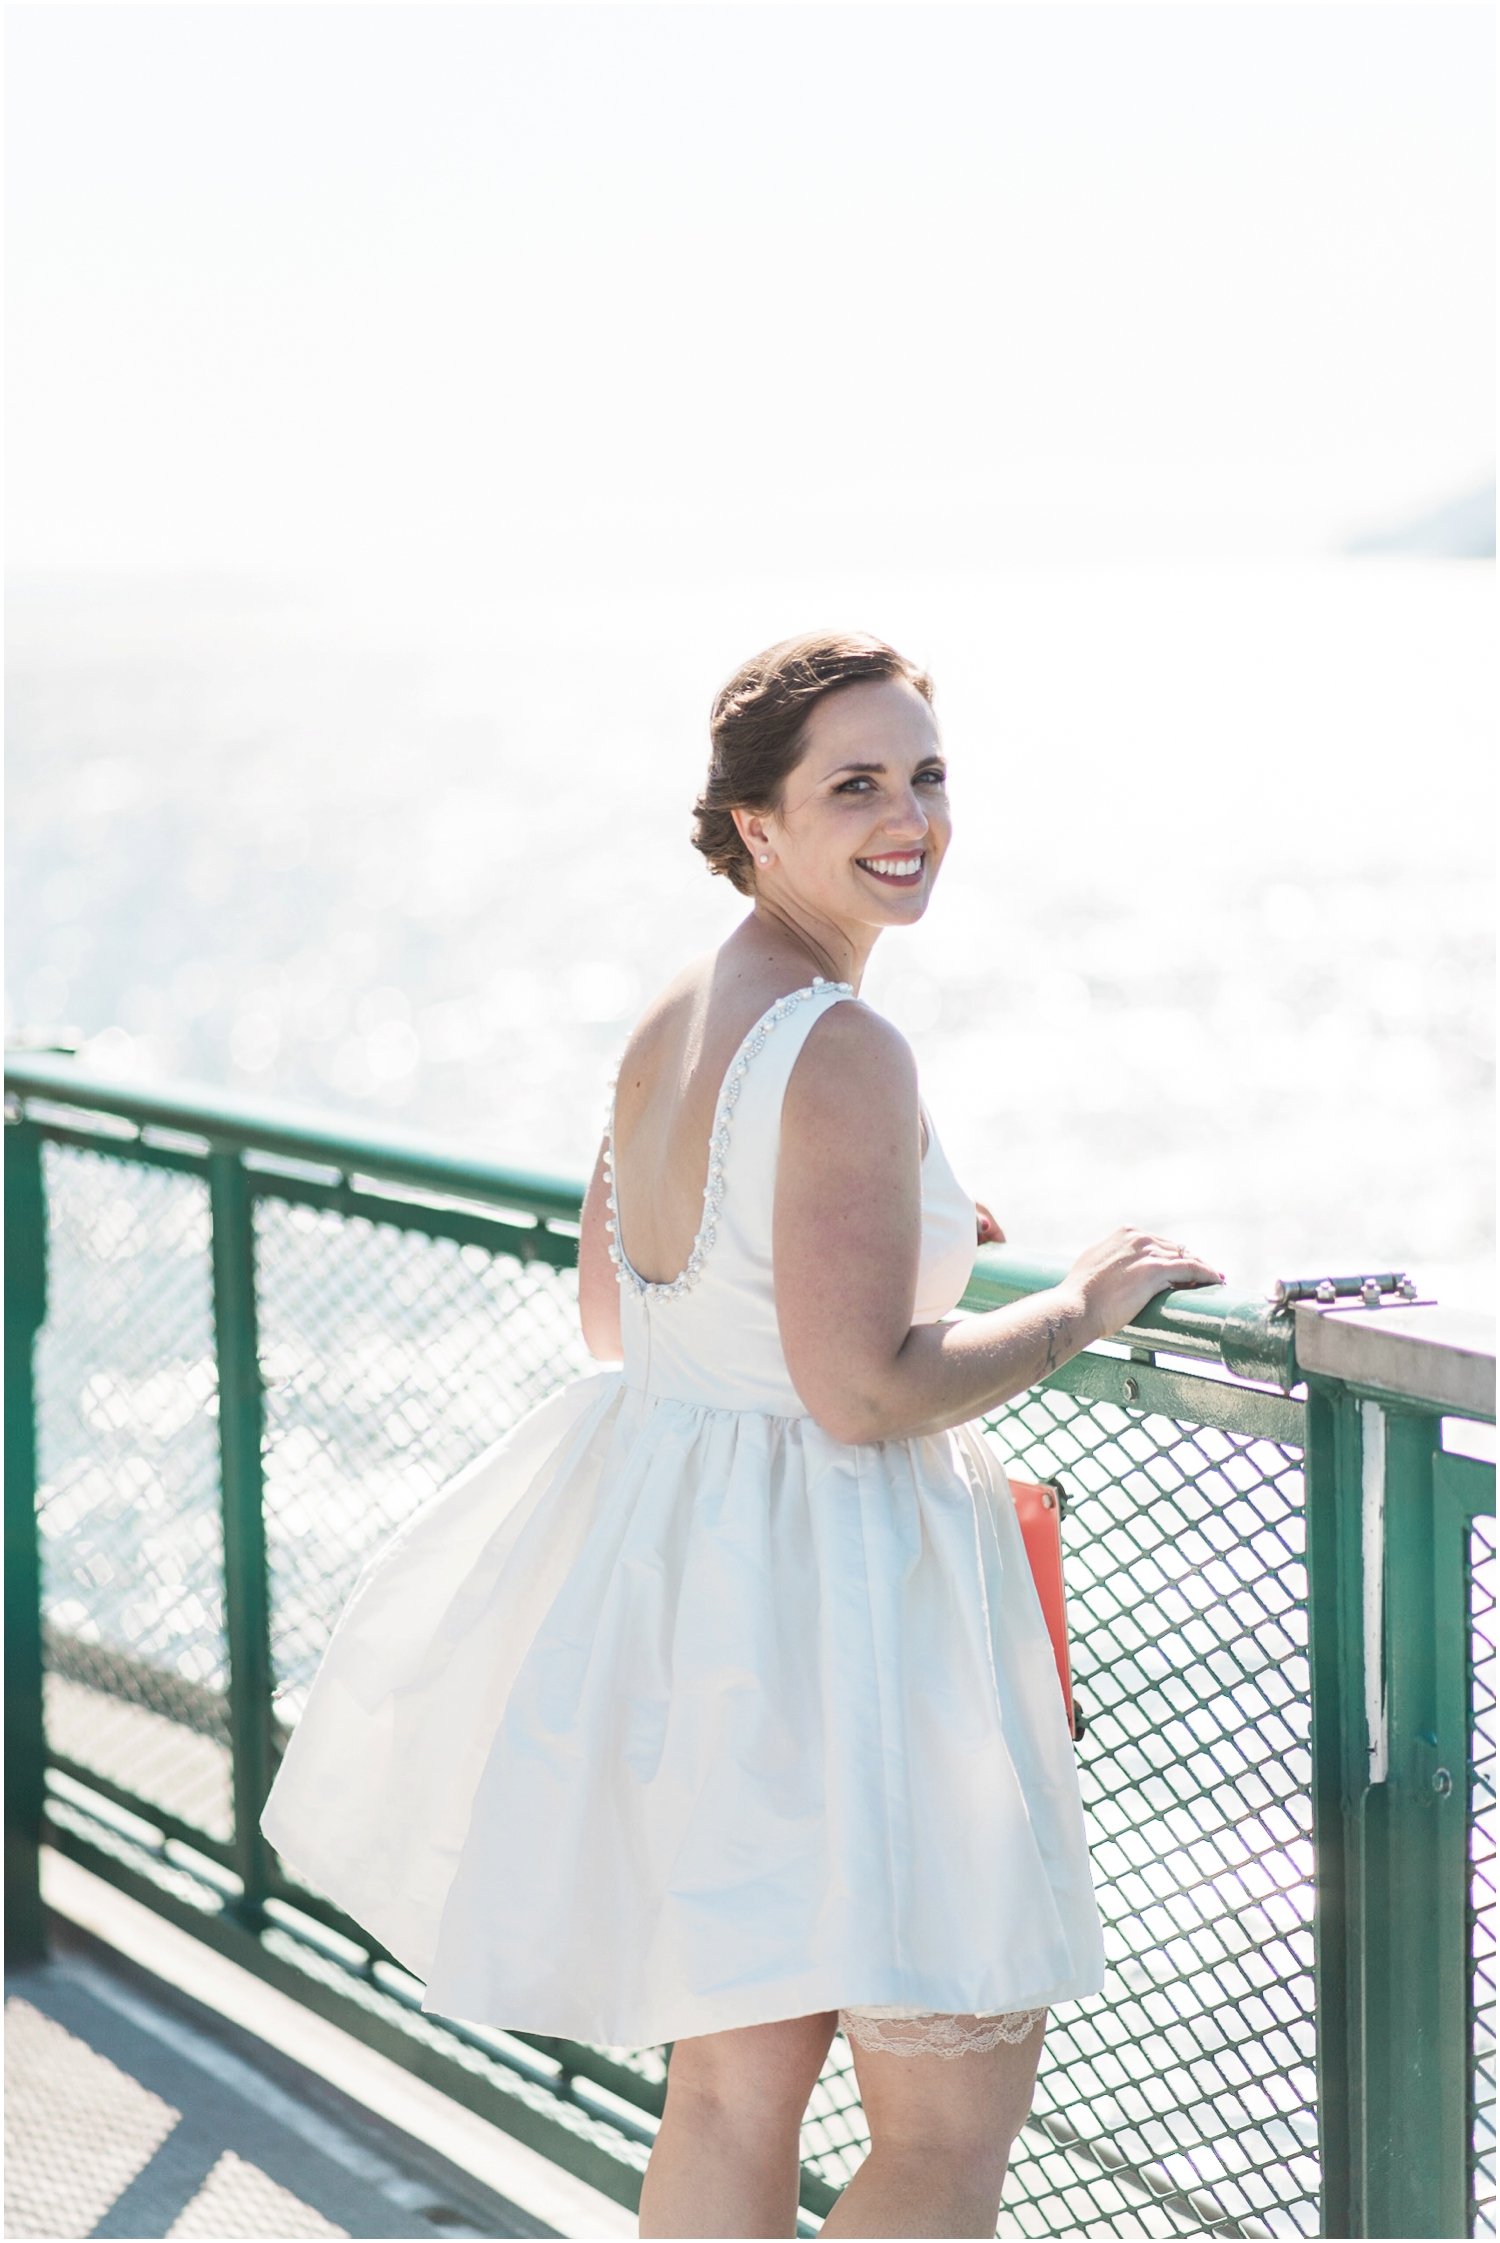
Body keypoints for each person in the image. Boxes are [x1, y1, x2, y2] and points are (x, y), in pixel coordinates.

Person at [263, 631, 1221, 2239]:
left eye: (925, 775)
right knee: (942, 2133)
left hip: (711, 1600)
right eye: (854, 785)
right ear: (757, 825)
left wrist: (891, 1219)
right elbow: (861, 1394)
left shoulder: (673, 1017)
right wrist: (1079, 1303)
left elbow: (625, 1320)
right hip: (850, 1605)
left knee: (730, 2092)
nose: (907, 814)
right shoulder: (845, 1044)